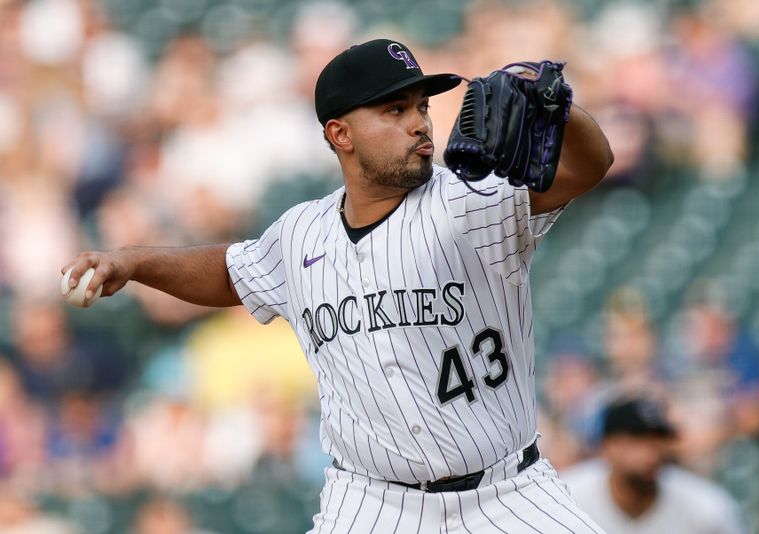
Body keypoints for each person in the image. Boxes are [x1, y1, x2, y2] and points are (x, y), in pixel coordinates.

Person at [63, 39, 613, 533]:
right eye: (394, 110)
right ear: (340, 133)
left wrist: (561, 113)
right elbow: (230, 272)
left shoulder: (473, 201)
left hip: (506, 493)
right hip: (374, 504)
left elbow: (591, 166)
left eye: (422, 106)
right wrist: (133, 261)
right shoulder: (300, 233)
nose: (420, 123)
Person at [561, 397, 745, 534]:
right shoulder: (567, 499)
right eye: (637, 439)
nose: (652, 452)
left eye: (659, 440)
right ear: (607, 446)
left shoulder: (706, 508)